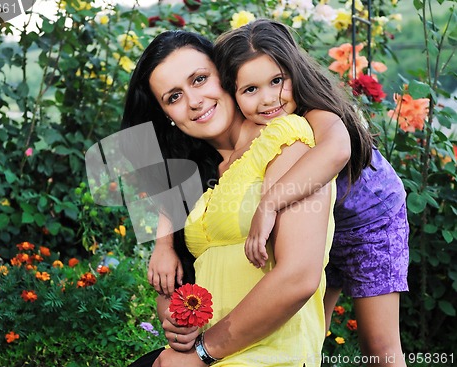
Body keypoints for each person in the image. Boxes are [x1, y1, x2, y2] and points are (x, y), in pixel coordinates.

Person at [149, 19, 409, 367]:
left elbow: (336, 151)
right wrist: (163, 243)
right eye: (250, 89)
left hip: (370, 219)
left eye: (276, 81)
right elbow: (174, 176)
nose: (268, 98)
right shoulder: (240, 134)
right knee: (305, 328)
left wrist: (270, 203)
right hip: (315, 221)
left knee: (381, 348)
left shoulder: (308, 112)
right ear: (234, 86)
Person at [123, 29, 336, 366]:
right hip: (213, 353)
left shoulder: (285, 137)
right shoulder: (201, 177)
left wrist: (202, 352)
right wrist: (178, 322)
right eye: (173, 97)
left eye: (199, 79)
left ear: (226, 76)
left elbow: (298, 277)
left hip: (264, 356)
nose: (193, 101)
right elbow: (181, 287)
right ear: (167, 116)